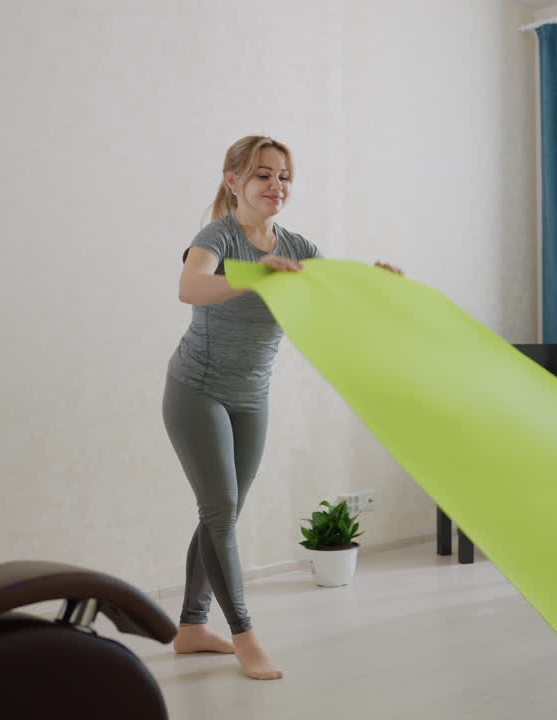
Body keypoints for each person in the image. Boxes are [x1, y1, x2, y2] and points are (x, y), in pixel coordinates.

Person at [163, 135, 400, 680]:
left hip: (251, 395)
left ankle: (192, 627)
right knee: (220, 512)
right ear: (234, 182)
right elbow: (190, 286)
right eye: (263, 175)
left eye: (285, 176)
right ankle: (246, 636)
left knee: (220, 514)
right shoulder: (217, 236)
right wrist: (255, 275)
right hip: (195, 389)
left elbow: (337, 297)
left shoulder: (297, 247)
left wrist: (377, 286)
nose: (277, 186)